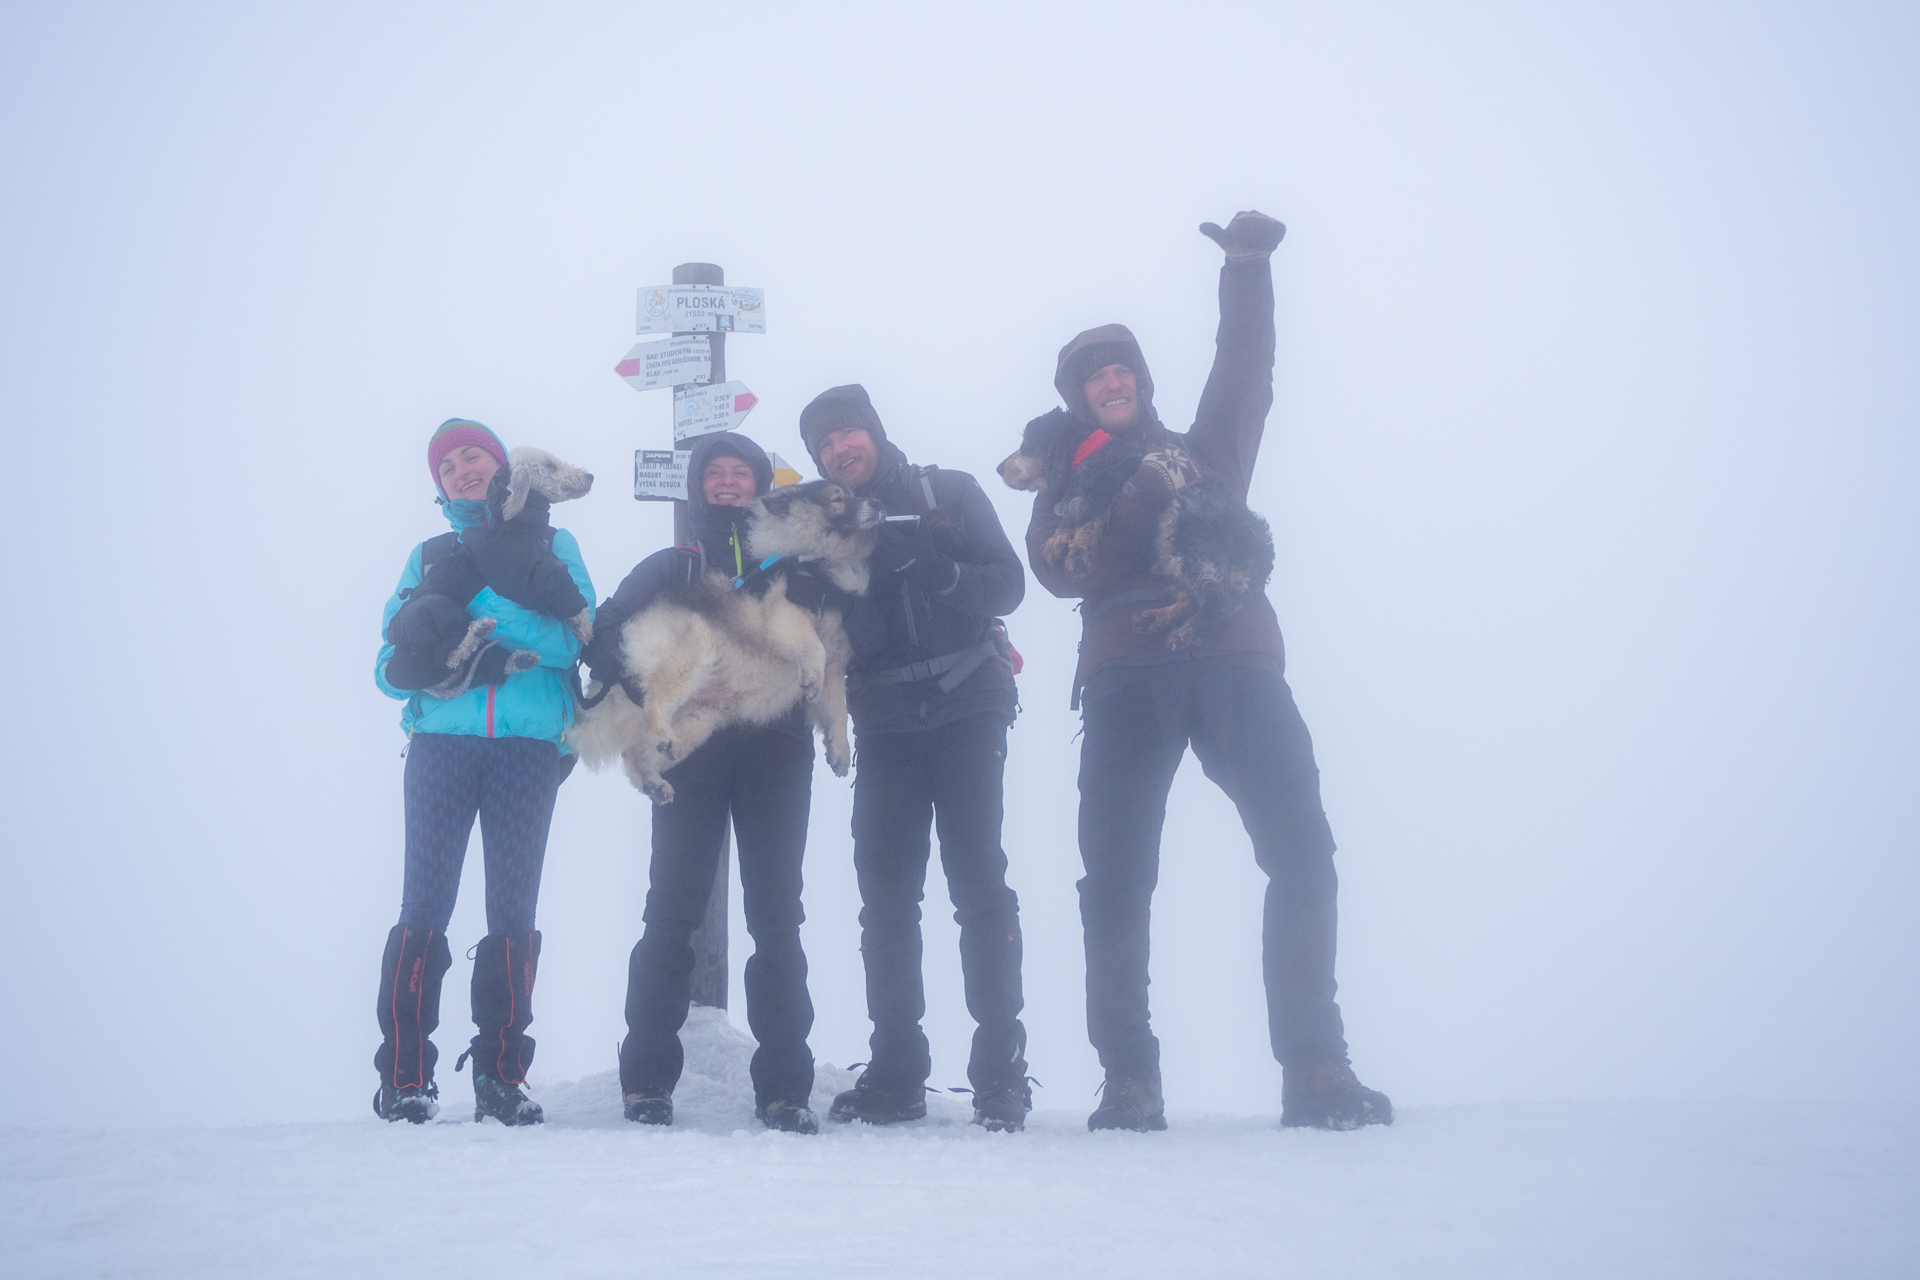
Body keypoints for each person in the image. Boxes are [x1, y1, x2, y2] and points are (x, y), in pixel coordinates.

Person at [1026, 212, 1393, 1132]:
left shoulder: (1208, 452)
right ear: (1078, 400)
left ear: (1142, 383)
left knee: (1301, 850)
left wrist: (1247, 269)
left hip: (1235, 660)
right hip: (1125, 676)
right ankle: (1130, 1079)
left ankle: (1317, 1068)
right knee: (1115, 879)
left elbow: (1243, 375)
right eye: (1094, 378)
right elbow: (1059, 573)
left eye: (1122, 371)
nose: (1112, 383)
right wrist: (1137, 494)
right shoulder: (1066, 488)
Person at [582, 432, 837, 1134]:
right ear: (698, 489)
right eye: (714, 473)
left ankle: (786, 1089)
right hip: (691, 748)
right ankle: (646, 1084)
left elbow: (839, 631)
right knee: (672, 909)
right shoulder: (674, 562)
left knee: (777, 915)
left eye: (739, 473)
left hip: (778, 745)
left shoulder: (792, 562)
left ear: (759, 487)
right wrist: (657, 692)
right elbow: (606, 633)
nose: (726, 482)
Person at [798, 385, 1033, 1132]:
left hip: (969, 702)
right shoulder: (824, 531)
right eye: (826, 445)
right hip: (886, 722)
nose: (840, 449)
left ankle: (1000, 1075)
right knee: (887, 897)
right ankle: (898, 1073)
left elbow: (1009, 586)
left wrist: (936, 570)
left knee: (977, 881)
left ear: (873, 433)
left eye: (848, 435)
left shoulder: (947, 493)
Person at [371, 418, 594, 1125]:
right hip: (441, 745)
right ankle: (404, 1079)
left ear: (504, 468)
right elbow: (389, 664)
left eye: (475, 457)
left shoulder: (556, 544)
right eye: (449, 467)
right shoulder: (431, 554)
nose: (463, 470)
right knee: (424, 905)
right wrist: (440, 645)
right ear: (440, 486)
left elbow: (573, 639)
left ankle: (502, 1078)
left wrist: (470, 623)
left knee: (513, 910)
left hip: (528, 747)